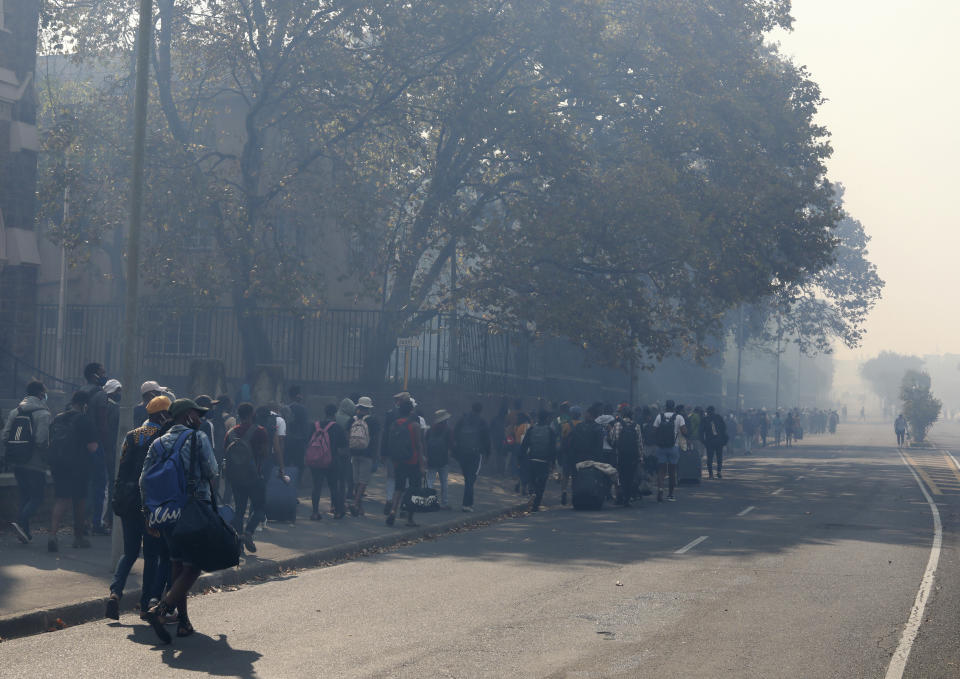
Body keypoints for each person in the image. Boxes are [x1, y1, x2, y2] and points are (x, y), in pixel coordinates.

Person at [140, 398, 219, 644]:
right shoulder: (198, 439)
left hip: (164, 513)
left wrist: (149, 514)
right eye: (198, 415)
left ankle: (183, 622)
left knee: (177, 565)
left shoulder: (158, 442)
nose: (201, 419)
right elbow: (212, 471)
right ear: (188, 416)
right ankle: (161, 610)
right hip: (193, 510)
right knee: (194, 566)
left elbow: (144, 480)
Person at [105, 395, 172, 621]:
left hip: (128, 500)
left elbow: (122, 468)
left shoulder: (131, 436)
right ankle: (145, 606)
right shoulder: (163, 437)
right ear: (162, 415)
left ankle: (115, 592)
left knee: (130, 552)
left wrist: (117, 496)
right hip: (151, 504)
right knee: (151, 555)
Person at [48, 390, 99, 551]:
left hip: (58, 465)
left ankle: (53, 534)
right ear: (85, 405)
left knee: (61, 499)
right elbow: (92, 447)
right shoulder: (85, 420)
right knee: (80, 501)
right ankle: (78, 537)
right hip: (79, 467)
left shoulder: (58, 418)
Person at [2, 380, 51, 543]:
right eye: (44, 392)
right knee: (37, 497)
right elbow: (41, 440)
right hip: (35, 463)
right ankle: (21, 522)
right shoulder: (44, 414)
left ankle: (25, 532)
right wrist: (46, 456)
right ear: (40, 394)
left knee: (25, 496)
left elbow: (4, 436)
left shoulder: (15, 412)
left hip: (17, 461)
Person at [226, 403, 275, 552]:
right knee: (260, 508)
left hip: (236, 478)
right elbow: (265, 454)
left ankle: (239, 539)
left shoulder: (230, 433)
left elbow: (226, 455)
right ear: (252, 414)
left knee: (239, 510)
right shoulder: (260, 431)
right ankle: (248, 532)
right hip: (255, 476)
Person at [385, 399, 424, 527]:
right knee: (413, 490)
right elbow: (419, 445)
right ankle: (410, 519)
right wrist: (422, 465)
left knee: (398, 488)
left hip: (398, 461)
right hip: (413, 461)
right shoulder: (415, 425)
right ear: (411, 410)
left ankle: (392, 511)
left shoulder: (395, 424)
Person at [311, 404, 348, 520]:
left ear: (325, 412)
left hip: (316, 460)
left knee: (316, 486)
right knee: (333, 486)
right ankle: (337, 512)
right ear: (335, 413)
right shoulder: (337, 427)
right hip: (332, 461)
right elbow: (343, 445)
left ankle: (315, 513)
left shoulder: (315, 425)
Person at [453, 402, 490, 512]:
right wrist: (487, 454)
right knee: (471, 479)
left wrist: (457, 450)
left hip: (462, 453)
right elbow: (487, 440)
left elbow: (455, 433)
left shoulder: (463, 419)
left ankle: (466, 503)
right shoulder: (482, 422)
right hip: (475, 454)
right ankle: (467, 504)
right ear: (481, 410)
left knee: (467, 477)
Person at [348, 396, 379, 516]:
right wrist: (376, 455)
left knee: (356, 480)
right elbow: (376, 439)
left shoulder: (352, 420)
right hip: (367, 454)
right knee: (363, 481)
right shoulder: (373, 421)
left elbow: (347, 434)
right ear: (369, 408)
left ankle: (359, 507)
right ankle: (356, 504)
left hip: (354, 453)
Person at [380, 391, 411, 514]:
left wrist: (383, 452)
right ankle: (403, 503)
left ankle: (389, 499)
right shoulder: (412, 416)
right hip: (406, 452)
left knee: (391, 477)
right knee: (406, 479)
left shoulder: (390, 414)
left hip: (391, 451)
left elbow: (385, 434)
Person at [520, 410, 557, 511]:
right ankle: (536, 504)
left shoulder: (531, 429)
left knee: (532, 479)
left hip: (532, 459)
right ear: (547, 418)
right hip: (544, 461)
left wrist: (521, 458)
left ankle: (532, 492)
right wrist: (553, 462)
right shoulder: (550, 431)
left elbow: (524, 445)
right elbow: (553, 448)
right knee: (542, 483)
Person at [652, 399, 686, 502]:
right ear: (674, 407)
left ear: (665, 406)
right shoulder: (679, 417)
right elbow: (684, 431)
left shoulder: (659, 416)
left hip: (661, 447)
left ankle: (660, 490)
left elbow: (654, 430)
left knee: (661, 471)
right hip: (673, 447)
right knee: (672, 472)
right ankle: (670, 494)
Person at [610, 405, 642, 506]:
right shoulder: (636, 426)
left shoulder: (617, 424)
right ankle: (627, 498)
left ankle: (620, 496)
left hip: (620, 455)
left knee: (620, 476)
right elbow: (639, 443)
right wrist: (641, 457)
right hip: (633, 455)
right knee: (630, 476)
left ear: (622, 414)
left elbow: (613, 439)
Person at [425, 410, 454, 509]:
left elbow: (425, 443)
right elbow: (451, 445)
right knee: (444, 482)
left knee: (430, 481)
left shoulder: (430, 430)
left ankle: (428, 501)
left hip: (431, 459)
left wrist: (426, 456)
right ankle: (444, 503)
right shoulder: (448, 430)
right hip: (444, 460)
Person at [285, 386, 311, 482]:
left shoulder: (286, 408)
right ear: (298, 395)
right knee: (299, 466)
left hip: (287, 441)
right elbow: (305, 427)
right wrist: (307, 441)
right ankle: (295, 486)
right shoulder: (302, 409)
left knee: (287, 465)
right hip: (299, 442)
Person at [702, 406, 727, 479]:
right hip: (719, 441)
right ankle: (719, 471)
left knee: (710, 458)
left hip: (709, 441)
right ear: (714, 410)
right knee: (719, 457)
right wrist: (723, 439)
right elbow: (724, 428)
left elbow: (701, 431)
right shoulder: (719, 417)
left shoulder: (705, 419)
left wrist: (703, 441)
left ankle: (711, 474)